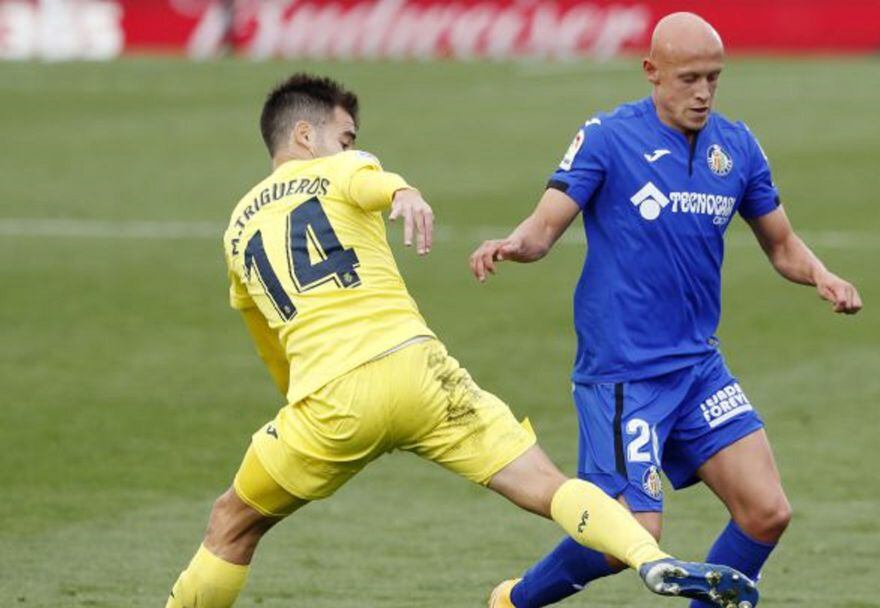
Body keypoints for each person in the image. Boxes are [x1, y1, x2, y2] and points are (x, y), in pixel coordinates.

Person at [164, 73, 757, 608]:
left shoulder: (237, 227)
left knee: (232, 524)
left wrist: (302, 403)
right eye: (344, 137)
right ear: (303, 135)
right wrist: (404, 193)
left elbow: (271, 344)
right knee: (549, 487)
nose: (350, 148)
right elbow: (371, 178)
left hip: (329, 401)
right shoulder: (341, 168)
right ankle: (648, 557)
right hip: (422, 374)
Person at [473, 12, 862, 608]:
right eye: (689, 79)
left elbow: (782, 244)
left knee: (766, 512)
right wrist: (513, 245)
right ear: (652, 71)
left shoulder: (737, 147)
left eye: (713, 78)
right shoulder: (608, 137)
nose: (703, 93)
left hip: (698, 368)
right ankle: (514, 601)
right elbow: (545, 226)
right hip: (624, 374)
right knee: (628, 538)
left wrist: (822, 276)